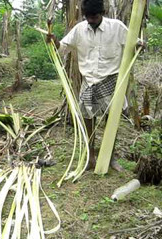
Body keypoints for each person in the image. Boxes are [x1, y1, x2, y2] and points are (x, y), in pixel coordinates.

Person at [47, 0, 140, 171]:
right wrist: (54, 41)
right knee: (88, 119)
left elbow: (134, 44)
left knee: (110, 120)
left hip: (111, 80)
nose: (90, 20)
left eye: (94, 17)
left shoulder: (117, 27)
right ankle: (90, 157)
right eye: (87, 17)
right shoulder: (79, 29)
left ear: (102, 12)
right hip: (89, 80)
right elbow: (63, 48)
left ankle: (110, 158)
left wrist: (140, 45)